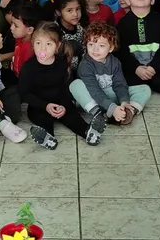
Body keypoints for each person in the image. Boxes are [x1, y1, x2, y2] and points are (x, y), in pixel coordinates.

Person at [20, 22, 107, 150]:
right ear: (33, 44)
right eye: (38, 43)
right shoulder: (28, 67)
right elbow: (24, 93)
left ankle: (88, 132)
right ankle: (48, 138)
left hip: (61, 102)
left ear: (57, 46)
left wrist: (64, 105)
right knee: (42, 118)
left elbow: (67, 87)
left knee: (73, 116)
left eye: (48, 44)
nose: (42, 49)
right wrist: (45, 106)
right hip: (39, 105)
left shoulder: (61, 64)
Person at [70, 22, 151, 125]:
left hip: (109, 93)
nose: (95, 49)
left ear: (111, 48)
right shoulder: (85, 65)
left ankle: (128, 111)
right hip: (92, 97)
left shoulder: (115, 62)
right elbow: (95, 91)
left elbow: (120, 84)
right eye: (91, 44)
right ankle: (99, 113)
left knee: (145, 89)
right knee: (75, 85)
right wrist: (112, 108)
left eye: (101, 46)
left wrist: (124, 101)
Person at [116, 0, 160, 94]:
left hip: (156, 69)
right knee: (126, 86)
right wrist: (136, 68)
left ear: (152, 0)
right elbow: (121, 51)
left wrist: (154, 67)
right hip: (133, 70)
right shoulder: (123, 23)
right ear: (127, 0)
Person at [50, 0, 86, 72]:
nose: (75, 14)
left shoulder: (81, 28)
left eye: (78, 9)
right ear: (59, 12)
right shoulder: (53, 32)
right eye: (69, 10)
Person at [10, 2, 43, 77]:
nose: (11, 28)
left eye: (16, 25)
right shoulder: (19, 37)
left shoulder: (29, 51)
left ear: (30, 30)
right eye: (12, 23)